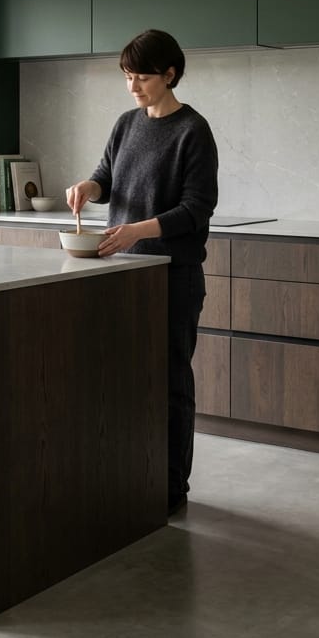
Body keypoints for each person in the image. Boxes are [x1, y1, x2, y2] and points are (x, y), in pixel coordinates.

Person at [66, 29, 218, 516]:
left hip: (174, 275)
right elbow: (106, 178)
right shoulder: (126, 124)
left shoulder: (193, 131)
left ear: (170, 75)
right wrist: (88, 187)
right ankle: (131, 478)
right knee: (123, 380)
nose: (133, 86)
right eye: (127, 76)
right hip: (123, 274)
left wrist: (137, 231)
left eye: (143, 78)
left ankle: (171, 488)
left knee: (170, 384)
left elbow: (197, 209)